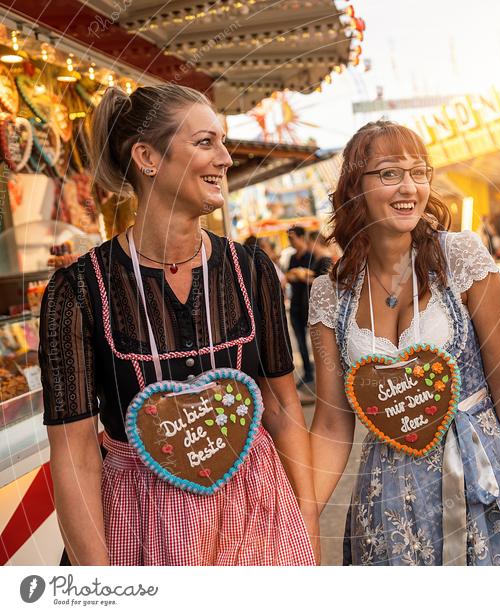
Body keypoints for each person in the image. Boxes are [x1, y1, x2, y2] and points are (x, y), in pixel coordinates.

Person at [39, 84, 318, 565]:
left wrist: (307, 534)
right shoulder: (79, 290)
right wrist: (101, 585)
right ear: (147, 156)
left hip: (257, 522)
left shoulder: (252, 270)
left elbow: (283, 410)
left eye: (223, 142)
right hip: (140, 526)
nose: (226, 158)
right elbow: (75, 454)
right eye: (206, 142)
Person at [307, 120, 500, 566]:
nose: (409, 186)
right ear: (355, 187)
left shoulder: (461, 257)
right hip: (388, 496)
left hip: (484, 476)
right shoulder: (330, 295)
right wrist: (300, 516)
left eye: (419, 171)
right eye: (390, 173)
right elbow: (333, 425)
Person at [285, 226, 317, 385]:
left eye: (292, 238)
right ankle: (308, 373)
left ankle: (320, 373)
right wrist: (299, 273)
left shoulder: (311, 255)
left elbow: (314, 275)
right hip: (296, 303)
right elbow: (288, 276)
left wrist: (302, 274)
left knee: (317, 341)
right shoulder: (292, 257)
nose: (290, 241)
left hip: (310, 303)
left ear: (300, 237)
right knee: (300, 341)